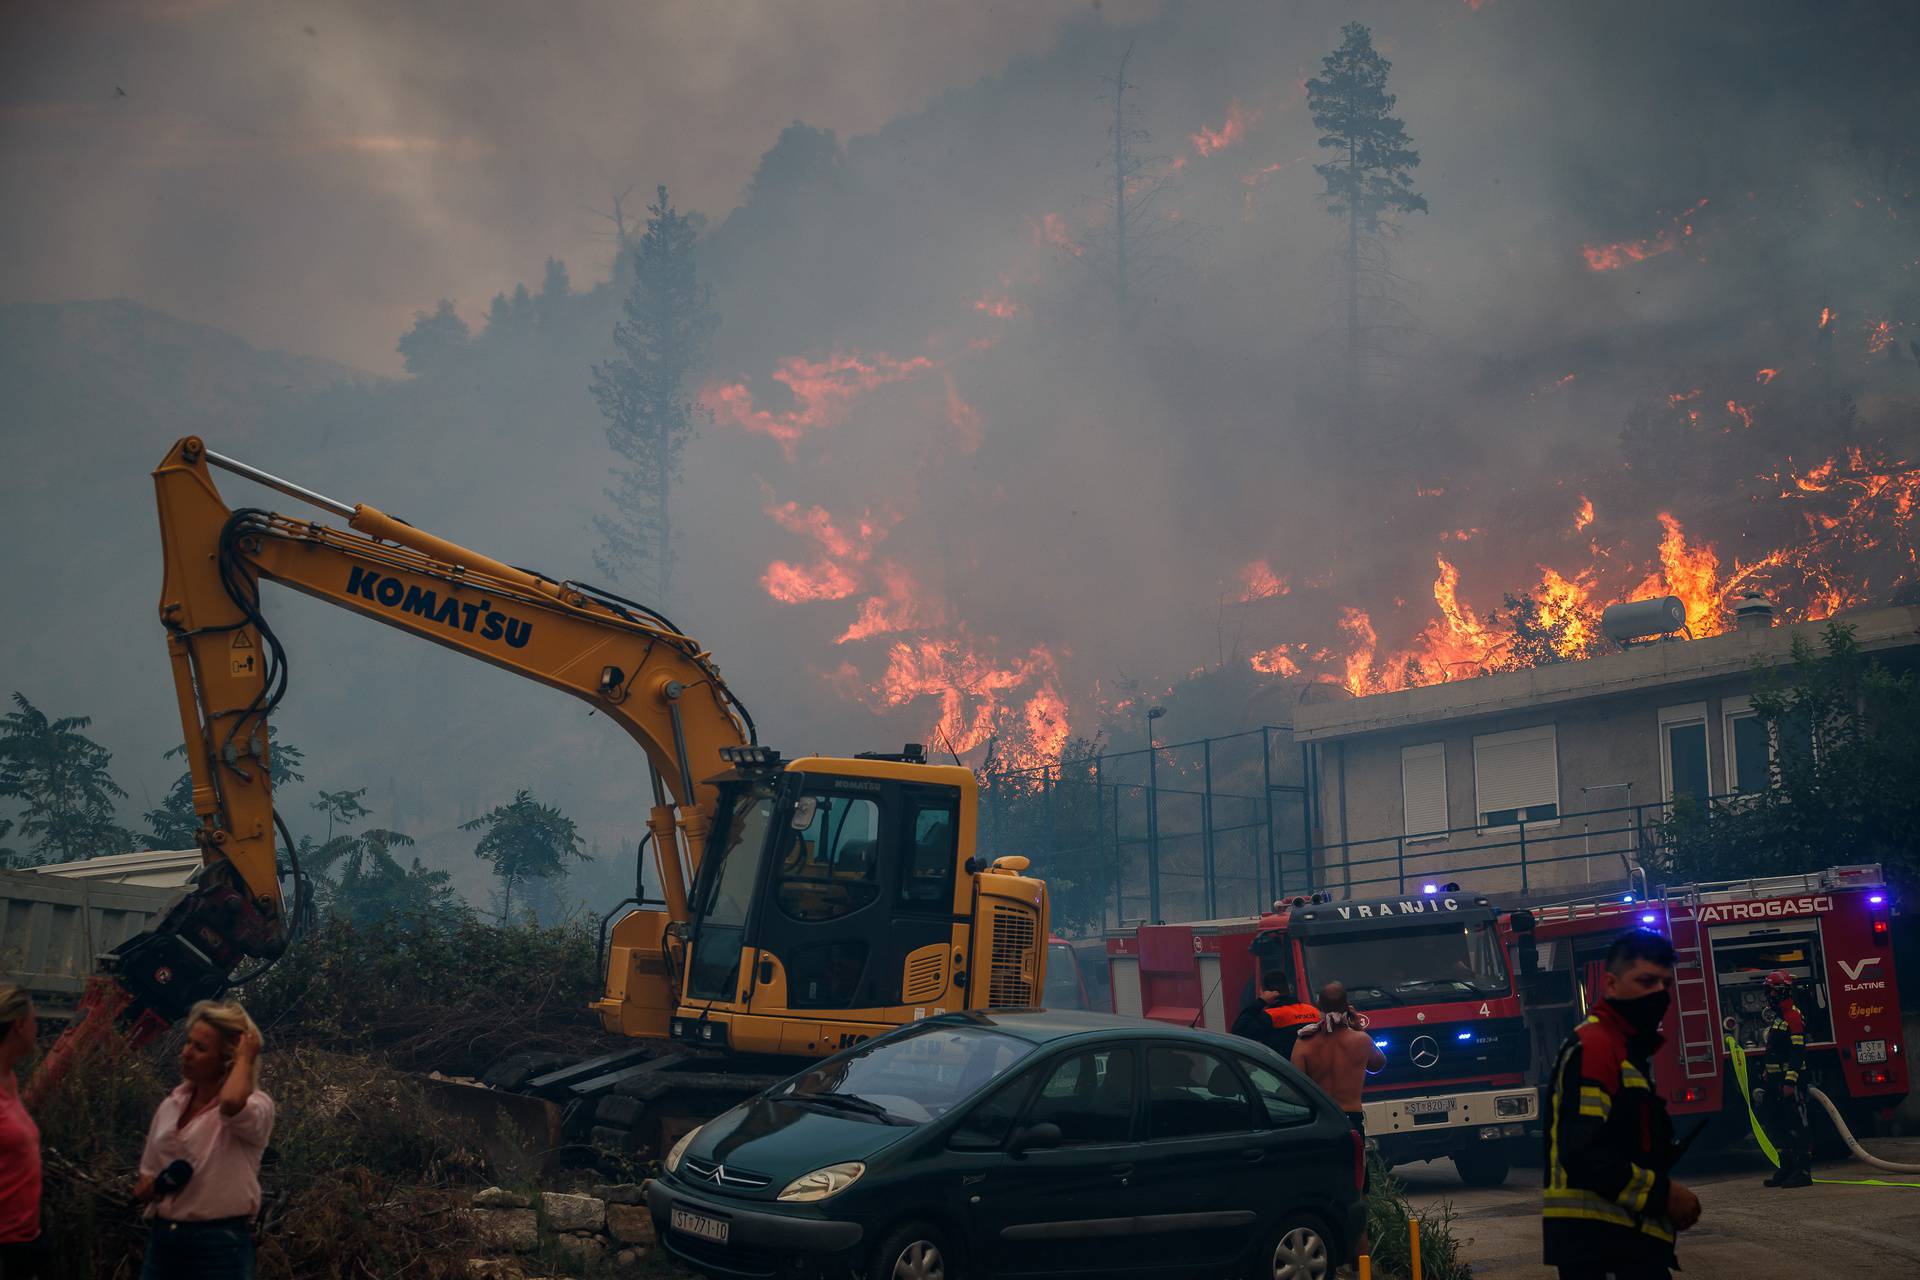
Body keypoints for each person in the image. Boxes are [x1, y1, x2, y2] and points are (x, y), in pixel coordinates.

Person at [1542, 928, 1700, 1280]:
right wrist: (1662, 1194)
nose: (1657, 993)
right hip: (1604, 1247)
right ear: (1611, 985)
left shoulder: (1623, 1049)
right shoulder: (1597, 1048)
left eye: (1664, 983)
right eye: (1645, 981)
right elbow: (1582, 1153)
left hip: (1618, 1242)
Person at [134, 1000, 274, 1280]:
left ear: (227, 1058)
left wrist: (246, 1057)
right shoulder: (171, 1105)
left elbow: (232, 1102)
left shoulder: (256, 1108)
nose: (186, 1054)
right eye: (188, 1043)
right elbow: (145, 1182)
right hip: (164, 1241)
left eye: (200, 1048)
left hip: (219, 1247)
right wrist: (155, 1186)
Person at [0, 985, 46, 1280]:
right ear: (19, 1025)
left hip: (22, 1243)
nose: (36, 1027)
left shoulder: (10, 1079)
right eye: (34, 1020)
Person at [1757, 969, 1811, 1189]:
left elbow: (1798, 1052)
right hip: (1776, 1082)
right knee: (1777, 1123)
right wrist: (1767, 1072)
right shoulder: (1780, 1017)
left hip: (1790, 1083)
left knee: (1797, 1126)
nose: (1767, 996)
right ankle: (1787, 1168)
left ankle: (1803, 1172)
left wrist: (1790, 1082)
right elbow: (1774, 1049)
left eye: (1769, 991)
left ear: (1780, 992)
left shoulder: (1793, 1016)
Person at [1230, 971, 1320, 1060]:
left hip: (1284, 1071)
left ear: (1265, 992)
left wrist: (1260, 1002)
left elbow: (1238, 1031)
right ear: (1289, 988)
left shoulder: (1270, 1016)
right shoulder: (1314, 1011)